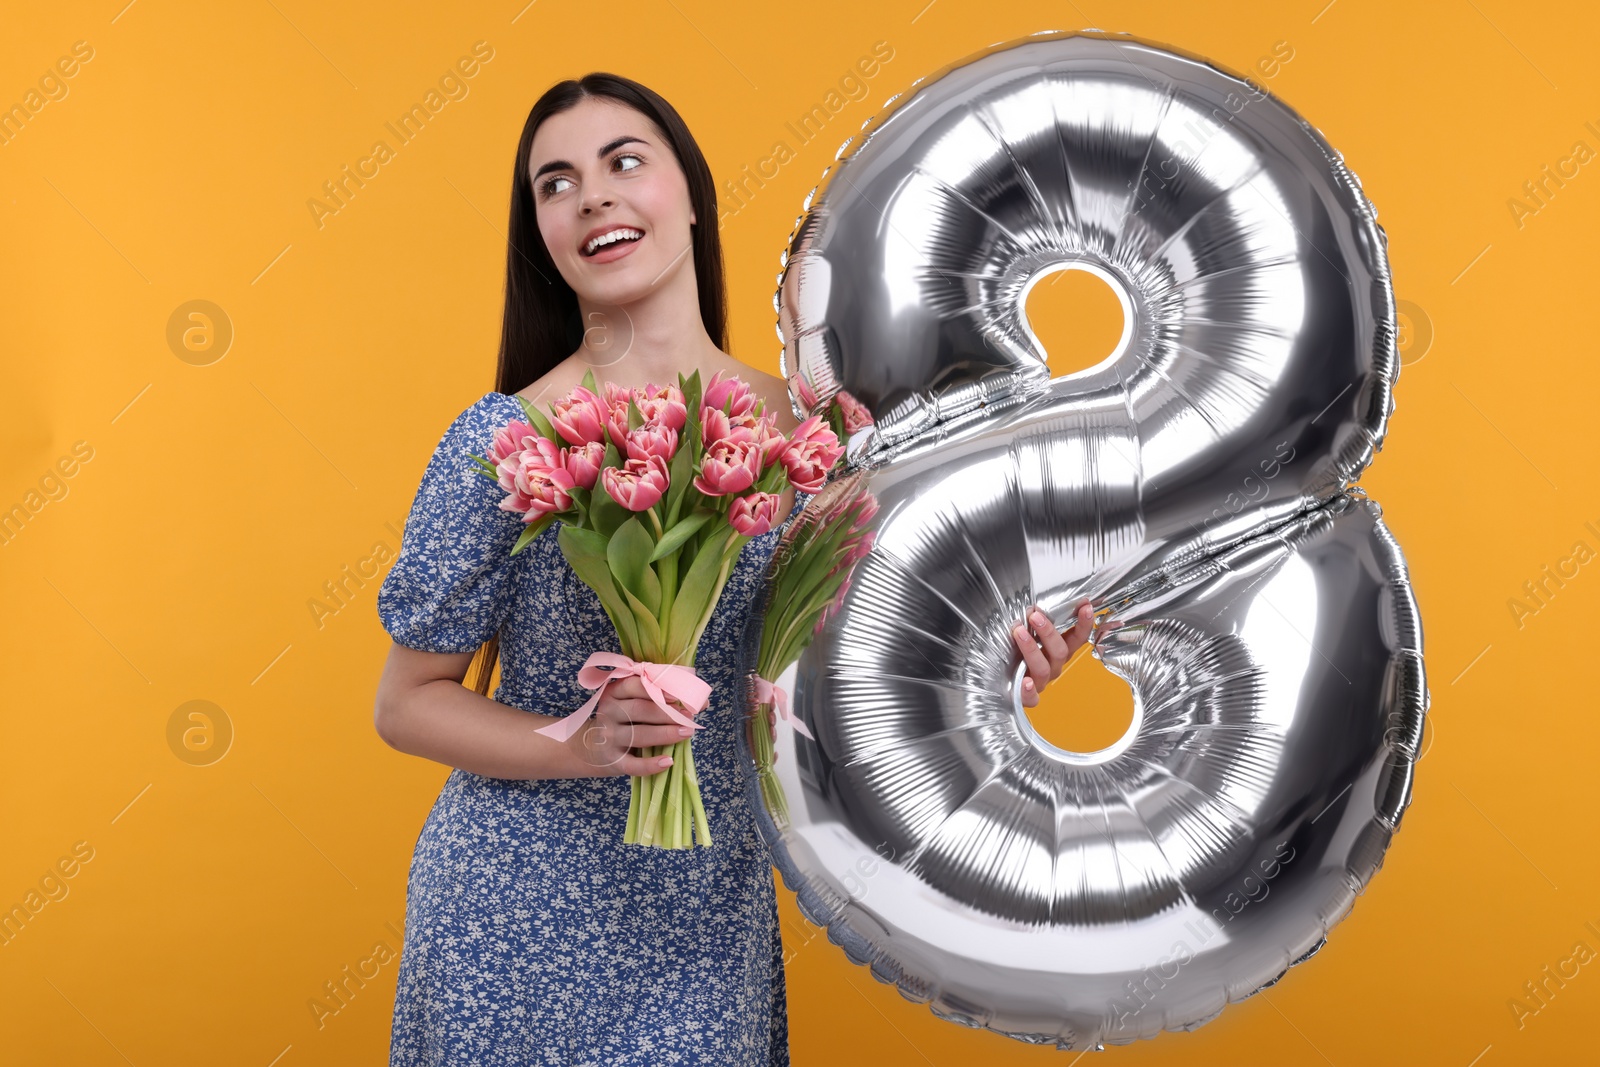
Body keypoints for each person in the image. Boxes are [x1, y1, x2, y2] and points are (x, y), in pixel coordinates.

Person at [371, 69, 1094, 1066]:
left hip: (702, 916)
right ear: (538, 230)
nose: (594, 197)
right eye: (557, 182)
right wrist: (577, 741)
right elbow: (406, 702)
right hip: (508, 911)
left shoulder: (812, 438)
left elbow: (842, 677)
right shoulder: (507, 439)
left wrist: (998, 666)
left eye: (625, 162)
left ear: (695, 197)